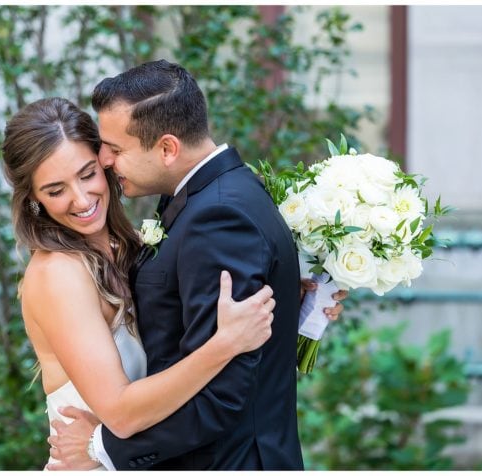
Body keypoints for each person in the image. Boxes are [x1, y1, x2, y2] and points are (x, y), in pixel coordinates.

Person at [46, 60, 322, 470]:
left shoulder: (219, 219)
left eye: (116, 149)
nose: (103, 160)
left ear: (167, 148)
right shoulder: (217, 194)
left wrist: (101, 448)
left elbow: (221, 394)